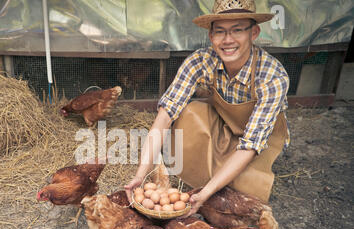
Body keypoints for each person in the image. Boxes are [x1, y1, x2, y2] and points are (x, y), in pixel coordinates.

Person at [124, 0, 290, 217]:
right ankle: (211, 170)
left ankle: (219, 176)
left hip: (258, 144)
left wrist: (206, 193)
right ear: (211, 36)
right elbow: (164, 118)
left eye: (237, 30)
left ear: (254, 33)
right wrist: (140, 175)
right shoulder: (200, 61)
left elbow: (250, 145)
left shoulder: (272, 76)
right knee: (189, 111)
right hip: (225, 128)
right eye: (220, 31)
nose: (227, 40)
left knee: (242, 196)